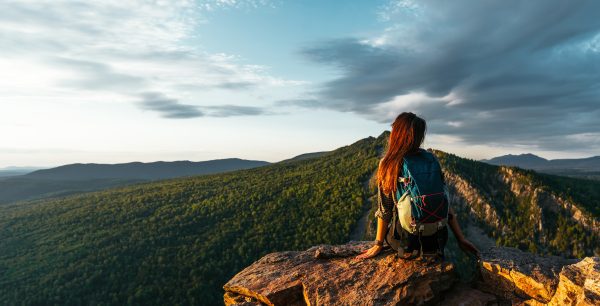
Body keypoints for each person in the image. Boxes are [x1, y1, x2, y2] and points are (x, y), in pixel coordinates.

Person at [356, 112, 479, 260]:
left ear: (397, 134)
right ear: (419, 137)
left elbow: (385, 209)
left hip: (406, 242)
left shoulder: (390, 163)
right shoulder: (431, 159)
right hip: (436, 240)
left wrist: (378, 243)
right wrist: (461, 239)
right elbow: (443, 202)